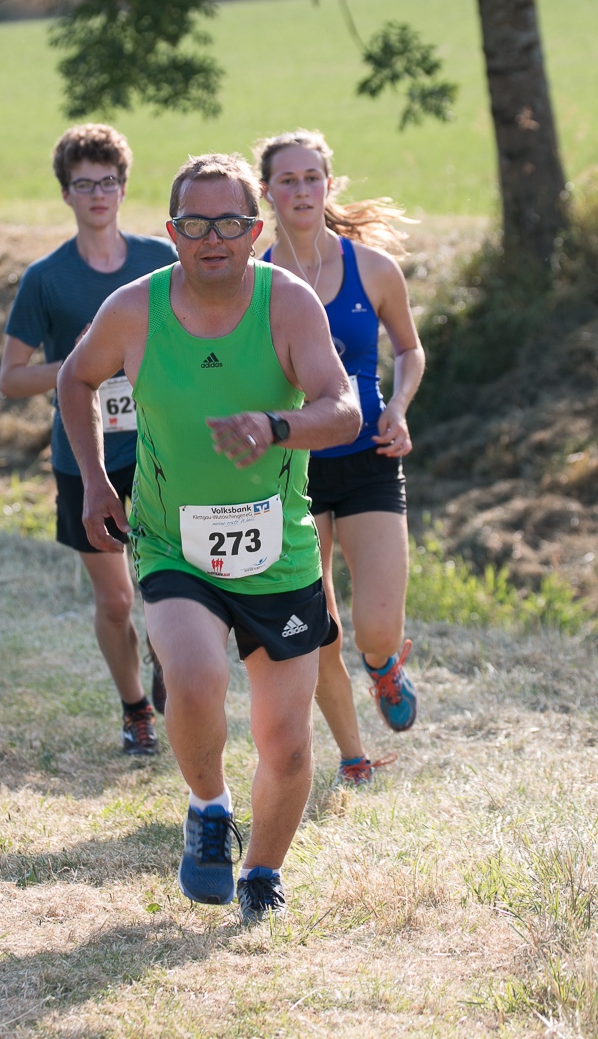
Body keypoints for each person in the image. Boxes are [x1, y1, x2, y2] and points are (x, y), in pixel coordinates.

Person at [57, 152, 360, 923]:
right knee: (193, 679)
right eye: (195, 224)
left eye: (229, 222)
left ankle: (262, 873)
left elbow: (344, 409)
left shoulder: (288, 304)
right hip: (173, 543)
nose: (212, 238)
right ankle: (209, 807)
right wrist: (94, 480)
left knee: (287, 744)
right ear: (172, 232)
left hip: (279, 552)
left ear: (255, 231)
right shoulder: (136, 309)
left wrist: (275, 426)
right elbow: (75, 378)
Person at [254, 128, 426, 787]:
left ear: (329, 185)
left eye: (311, 178)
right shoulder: (254, 279)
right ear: (267, 191)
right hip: (293, 469)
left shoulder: (373, 269)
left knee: (374, 627)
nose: (301, 190)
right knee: (319, 626)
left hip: (368, 458)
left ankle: (384, 666)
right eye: (287, 180)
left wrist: (399, 406)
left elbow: (409, 349)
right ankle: (354, 757)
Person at [0, 124, 176, 757]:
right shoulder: (46, 279)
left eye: (107, 182)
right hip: (85, 456)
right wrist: (81, 365)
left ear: (123, 188)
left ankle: (168, 656)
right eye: (84, 184)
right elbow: (11, 379)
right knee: (117, 598)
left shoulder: (161, 261)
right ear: (66, 193)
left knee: (170, 586)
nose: (97, 194)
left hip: (162, 448)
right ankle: (135, 709)